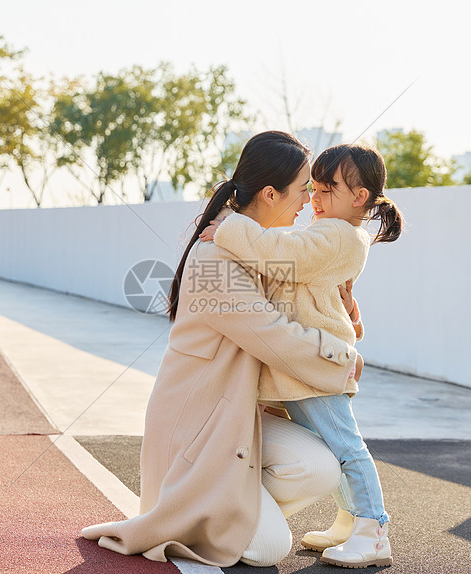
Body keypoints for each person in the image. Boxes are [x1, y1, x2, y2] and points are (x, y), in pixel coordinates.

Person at [81, 131, 359, 567]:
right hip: (200, 429)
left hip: (238, 422)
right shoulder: (216, 259)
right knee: (270, 550)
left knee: (320, 468)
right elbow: (274, 336)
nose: (309, 200)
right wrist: (343, 360)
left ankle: (235, 513)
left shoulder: (261, 249)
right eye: (304, 188)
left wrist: (345, 315)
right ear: (271, 194)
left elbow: (305, 311)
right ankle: (211, 519)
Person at [199, 143, 403, 568]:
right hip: (302, 370)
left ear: (359, 197)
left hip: (317, 369)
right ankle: (349, 521)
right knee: (333, 444)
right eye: (313, 189)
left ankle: (373, 529)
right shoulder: (326, 233)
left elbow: (282, 255)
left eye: (327, 190)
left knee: (347, 448)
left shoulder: (342, 237)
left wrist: (229, 229)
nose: (314, 198)